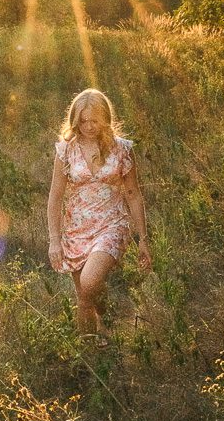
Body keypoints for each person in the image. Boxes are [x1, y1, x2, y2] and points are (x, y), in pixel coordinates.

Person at [47, 88, 152, 337]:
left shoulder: (122, 149)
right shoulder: (66, 150)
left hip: (111, 224)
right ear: (75, 119)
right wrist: (54, 240)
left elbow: (133, 194)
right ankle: (91, 348)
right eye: (83, 121)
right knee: (84, 299)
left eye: (95, 120)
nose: (89, 126)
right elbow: (55, 196)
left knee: (90, 281)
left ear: (105, 119)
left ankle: (105, 317)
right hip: (75, 229)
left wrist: (143, 239)